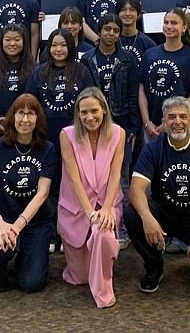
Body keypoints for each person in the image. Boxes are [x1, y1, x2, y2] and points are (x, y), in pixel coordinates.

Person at [125, 96, 190, 293]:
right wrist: (147, 218)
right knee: (133, 214)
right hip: (164, 215)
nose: (177, 122)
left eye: (183, 117)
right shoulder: (152, 148)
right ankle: (154, 266)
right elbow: (136, 188)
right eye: (171, 117)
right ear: (163, 123)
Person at [0, 94, 56, 293]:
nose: (25, 119)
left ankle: (24, 256)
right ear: (12, 116)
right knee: (2, 250)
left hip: (35, 223)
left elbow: (42, 193)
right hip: (2, 218)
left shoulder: (47, 149)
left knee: (31, 284)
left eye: (31, 114)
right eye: (21, 113)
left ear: (38, 119)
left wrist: (18, 226)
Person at [58, 88, 126, 308]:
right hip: (77, 209)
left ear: (104, 110)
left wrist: (106, 209)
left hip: (107, 203)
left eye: (94, 111)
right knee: (80, 278)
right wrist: (90, 213)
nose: (89, 117)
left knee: (103, 234)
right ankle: (86, 265)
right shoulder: (66, 135)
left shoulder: (118, 133)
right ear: (77, 114)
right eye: (84, 112)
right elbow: (74, 178)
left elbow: (116, 174)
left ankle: (104, 294)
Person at [79, 13, 140, 248]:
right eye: (107, 29)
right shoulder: (87, 59)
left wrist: (134, 126)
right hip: (92, 125)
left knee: (121, 179)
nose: (111, 34)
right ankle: (92, 223)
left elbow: (133, 95)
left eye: (116, 30)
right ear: (99, 31)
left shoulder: (127, 59)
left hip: (121, 124)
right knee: (95, 178)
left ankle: (120, 228)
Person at [26, 29, 95, 153]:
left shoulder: (82, 72)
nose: (58, 49)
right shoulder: (38, 73)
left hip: (76, 133)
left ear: (70, 46)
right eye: (54, 45)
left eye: (63, 45)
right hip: (45, 134)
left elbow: (91, 101)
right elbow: (29, 104)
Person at [139, 8, 190, 140]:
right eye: (166, 22)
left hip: (179, 126)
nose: (169, 26)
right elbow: (142, 90)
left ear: (184, 28)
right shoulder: (149, 54)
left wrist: (170, 121)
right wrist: (147, 123)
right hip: (152, 127)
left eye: (174, 23)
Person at [0, 24, 35, 139]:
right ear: (1, 41)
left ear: (24, 41)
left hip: (26, 128)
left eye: (17, 40)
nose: (12, 44)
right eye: (7, 40)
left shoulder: (34, 68)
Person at [116, 0, 156, 65]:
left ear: (138, 14)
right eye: (123, 10)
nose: (127, 14)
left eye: (132, 10)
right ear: (117, 14)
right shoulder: (111, 40)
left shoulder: (148, 44)